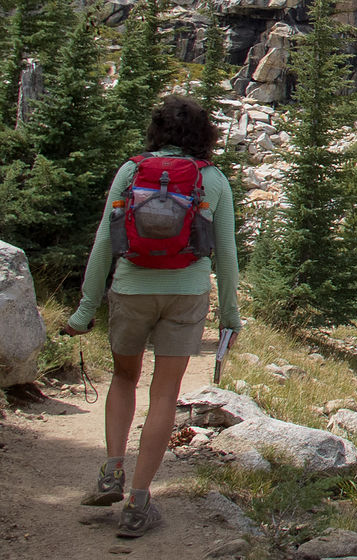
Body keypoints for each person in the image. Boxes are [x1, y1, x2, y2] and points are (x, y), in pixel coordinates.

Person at [63, 95, 241, 539]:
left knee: (124, 378)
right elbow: (227, 254)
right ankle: (139, 502)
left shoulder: (131, 171)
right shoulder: (213, 179)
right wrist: (231, 317)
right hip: (186, 294)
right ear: (205, 136)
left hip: (131, 289)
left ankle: (111, 472)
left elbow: (105, 242)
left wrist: (86, 308)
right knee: (164, 394)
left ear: (157, 130)